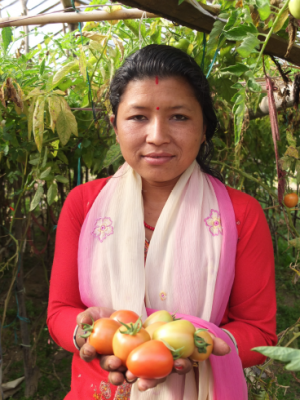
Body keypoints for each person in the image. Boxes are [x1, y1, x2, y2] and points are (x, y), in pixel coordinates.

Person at [47, 44, 277, 400]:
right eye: (138, 117)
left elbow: (259, 332)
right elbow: (60, 311)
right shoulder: (84, 204)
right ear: (115, 126)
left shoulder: (240, 214)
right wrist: (88, 334)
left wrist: (195, 345)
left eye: (179, 117)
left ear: (204, 129)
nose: (157, 136)